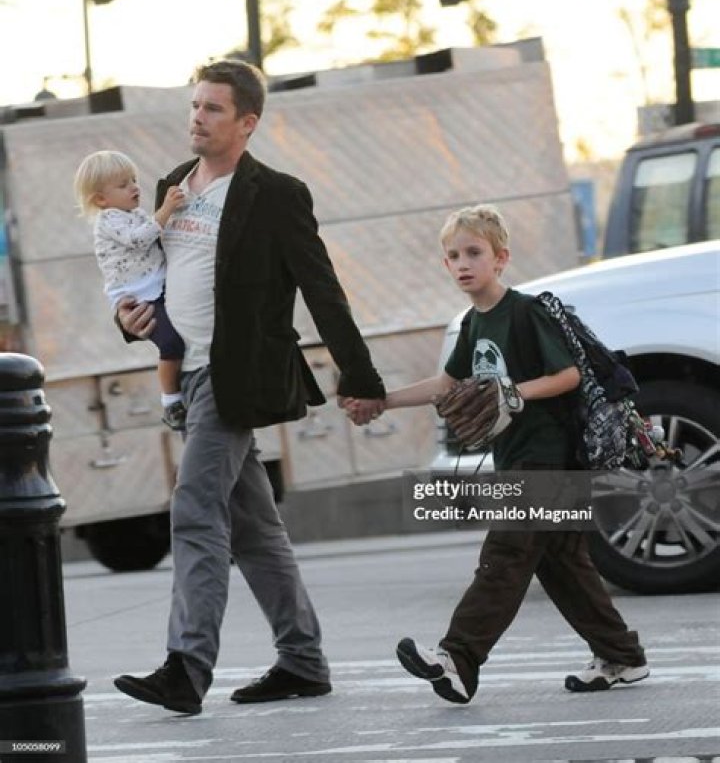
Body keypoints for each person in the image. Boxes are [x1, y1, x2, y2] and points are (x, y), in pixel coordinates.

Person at [112, 59, 385, 716]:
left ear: (247, 123)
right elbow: (147, 275)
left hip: (239, 379)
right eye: (195, 106)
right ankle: (303, 661)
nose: (197, 118)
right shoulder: (173, 185)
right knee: (255, 529)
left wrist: (360, 373)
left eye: (212, 109)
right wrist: (127, 318)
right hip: (191, 369)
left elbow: (322, 288)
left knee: (194, 508)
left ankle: (187, 666)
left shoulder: (276, 194)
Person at [347, 204, 648, 704]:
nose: (463, 263)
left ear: (500, 258)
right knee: (562, 565)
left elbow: (569, 375)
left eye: (474, 253)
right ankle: (622, 656)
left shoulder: (524, 312)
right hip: (516, 456)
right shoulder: (472, 323)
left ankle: (457, 658)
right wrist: (384, 401)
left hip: (549, 455)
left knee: (506, 554)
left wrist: (514, 393)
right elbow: (447, 383)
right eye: (453, 256)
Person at [74, 150, 188, 430]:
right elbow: (139, 240)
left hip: (156, 285)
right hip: (140, 294)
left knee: (178, 336)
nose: (135, 187)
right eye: (123, 184)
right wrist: (166, 210)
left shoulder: (133, 213)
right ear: (101, 199)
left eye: (134, 180)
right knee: (171, 343)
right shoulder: (110, 219)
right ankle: (171, 400)